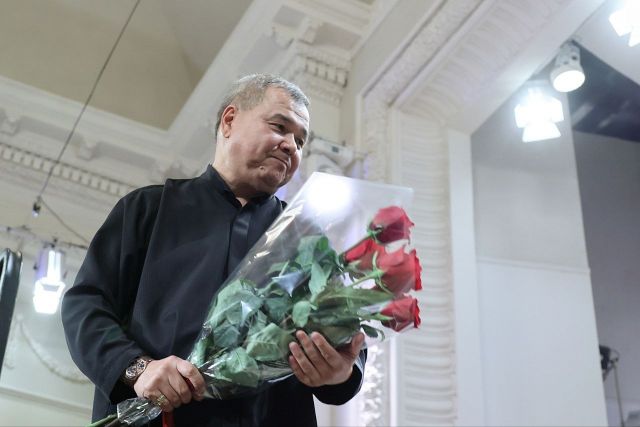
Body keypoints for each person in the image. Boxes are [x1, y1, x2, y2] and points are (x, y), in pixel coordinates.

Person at [61, 74, 366, 427]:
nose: (291, 146)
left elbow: (347, 340)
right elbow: (86, 306)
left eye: (300, 141)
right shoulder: (148, 209)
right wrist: (138, 368)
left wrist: (340, 371)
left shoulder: (307, 240)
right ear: (229, 120)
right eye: (280, 127)